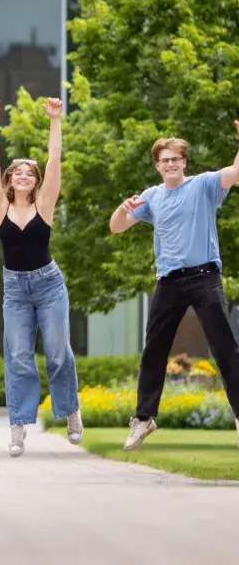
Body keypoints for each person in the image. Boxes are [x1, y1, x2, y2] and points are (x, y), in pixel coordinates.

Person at [110, 131, 239, 451]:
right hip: (168, 281)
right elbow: (116, 227)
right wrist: (122, 208)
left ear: (184, 162)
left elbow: (235, 172)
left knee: (225, 349)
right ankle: (143, 419)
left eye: (176, 159)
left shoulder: (204, 185)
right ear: (157, 165)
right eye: (165, 160)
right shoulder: (152, 196)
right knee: (153, 349)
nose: (170, 164)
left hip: (204, 277)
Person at [0, 97, 82, 458]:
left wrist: (55, 120)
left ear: (36, 181)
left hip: (49, 285)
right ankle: (18, 427)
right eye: (18, 172)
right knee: (19, 356)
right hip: (15, 290)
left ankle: (70, 411)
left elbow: (55, 160)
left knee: (57, 353)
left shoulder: (45, 205)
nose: (23, 176)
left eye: (30, 173)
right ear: (10, 179)